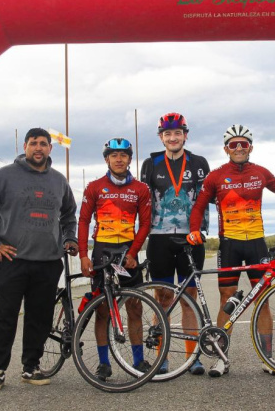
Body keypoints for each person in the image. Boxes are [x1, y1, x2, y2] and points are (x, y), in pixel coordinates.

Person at [188, 124, 275, 377]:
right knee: (226, 298)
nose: (238, 148)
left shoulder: (260, 172)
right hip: (229, 244)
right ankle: (221, 358)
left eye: (243, 144)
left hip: (256, 242)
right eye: (233, 144)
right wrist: (194, 229)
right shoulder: (215, 176)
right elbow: (199, 206)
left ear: (251, 147)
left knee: (263, 300)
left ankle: (267, 359)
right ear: (226, 148)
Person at [0, 127, 78, 392]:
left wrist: (70, 238)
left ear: (50, 148)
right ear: (24, 146)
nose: (38, 148)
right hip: (12, 261)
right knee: (5, 316)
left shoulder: (59, 181)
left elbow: (69, 214)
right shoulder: (4, 176)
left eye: (43, 143)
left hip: (49, 262)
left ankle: (31, 367)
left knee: (39, 318)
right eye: (33, 143)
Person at [140, 112, 210, 376]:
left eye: (177, 133)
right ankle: (163, 357)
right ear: (161, 137)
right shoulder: (151, 163)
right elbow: (144, 202)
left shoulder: (200, 162)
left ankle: (193, 357)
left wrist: (202, 230)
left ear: (185, 135)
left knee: (189, 297)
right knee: (163, 297)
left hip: (191, 238)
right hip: (159, 237)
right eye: (167, 134)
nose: (173, 137)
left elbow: (205, 200)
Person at [78, 137, 152, 380]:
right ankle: (103, 363)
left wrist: (132, 253)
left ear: (130, 159)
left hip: (128, 250)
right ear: (106, 159)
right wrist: (83, 255)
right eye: (114, 155)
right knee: (102, 309)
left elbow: (145, 224)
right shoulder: (95, 187)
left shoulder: (140, 189)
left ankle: (138, 361)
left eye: (123, 155)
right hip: (102, 250)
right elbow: (83, 221)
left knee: (135, 307)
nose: (119, 159)